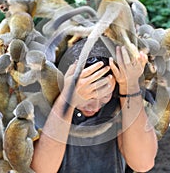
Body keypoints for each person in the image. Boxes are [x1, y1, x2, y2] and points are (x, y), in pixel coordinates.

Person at [31, 39, 158, 173]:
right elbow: (41, 170)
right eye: (88, 97)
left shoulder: (119, 105)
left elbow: (143, 163)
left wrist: (130, 86)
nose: (94, 106)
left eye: (104, 97)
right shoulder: (42, 104)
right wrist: (67, 99)